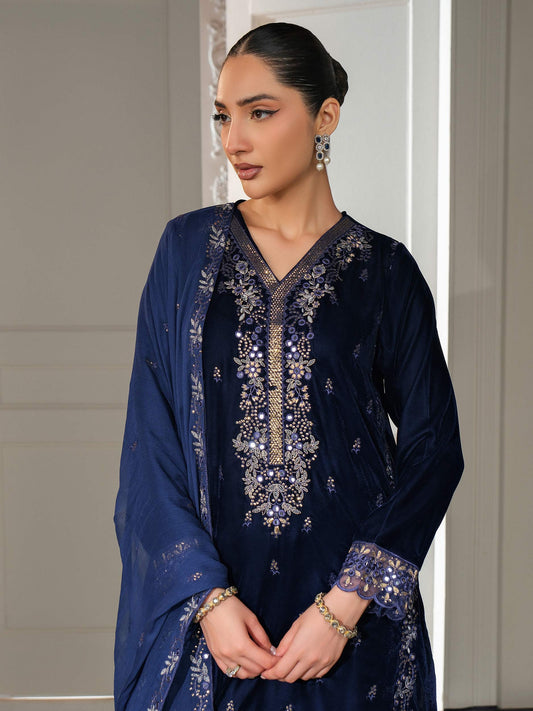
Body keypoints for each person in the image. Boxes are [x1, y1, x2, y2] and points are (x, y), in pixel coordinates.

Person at [114, 22, 463, 711]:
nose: (234, 140)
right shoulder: (186, 249)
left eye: (260, 113)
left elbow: (433, 448)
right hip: (216, 615)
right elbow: (150, 443)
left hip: (347, 615)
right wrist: (206, 598)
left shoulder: (385, 270)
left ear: (324, 116)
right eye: (224, 115)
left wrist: (345, 604)